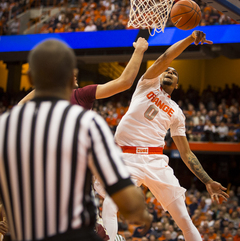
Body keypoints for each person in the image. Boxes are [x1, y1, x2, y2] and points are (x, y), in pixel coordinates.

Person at [0, 39, 153, 241]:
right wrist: (139, 212)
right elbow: (124, 196)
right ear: (71, 77)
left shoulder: (6, 125)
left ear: (29, 78)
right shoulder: (85, 122)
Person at [105, 31, 229, 241]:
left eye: (174, 73)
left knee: (184, 219)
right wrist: (190, 39)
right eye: (167, 71)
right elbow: (165, 59)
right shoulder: (147, 84)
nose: (170, 71)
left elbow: (186, 153)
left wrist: (207, 181)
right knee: (110, 203)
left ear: (177, 85)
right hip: (126, 158)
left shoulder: (177, 112)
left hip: (155, 160)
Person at [18, 37, 148, 110]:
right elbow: (21, 106)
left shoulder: (82, 94)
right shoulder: (42, 103)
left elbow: (124, 82)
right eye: (68, 70)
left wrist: (139, 51)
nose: (74, 73)